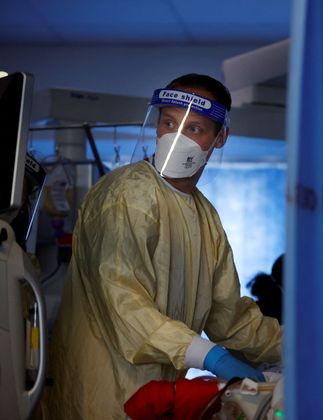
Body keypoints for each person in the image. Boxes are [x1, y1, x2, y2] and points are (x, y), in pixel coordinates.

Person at [41, 74, 282, 419]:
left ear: (221, 137)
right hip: (100, 398)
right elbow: (124, 306)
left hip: (157, 402)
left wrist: (298, 349)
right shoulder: (126, 195)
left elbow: (230, 318)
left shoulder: (204, 217)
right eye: (168, 122)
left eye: (194, 129)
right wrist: (210, 356)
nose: (176, 137)